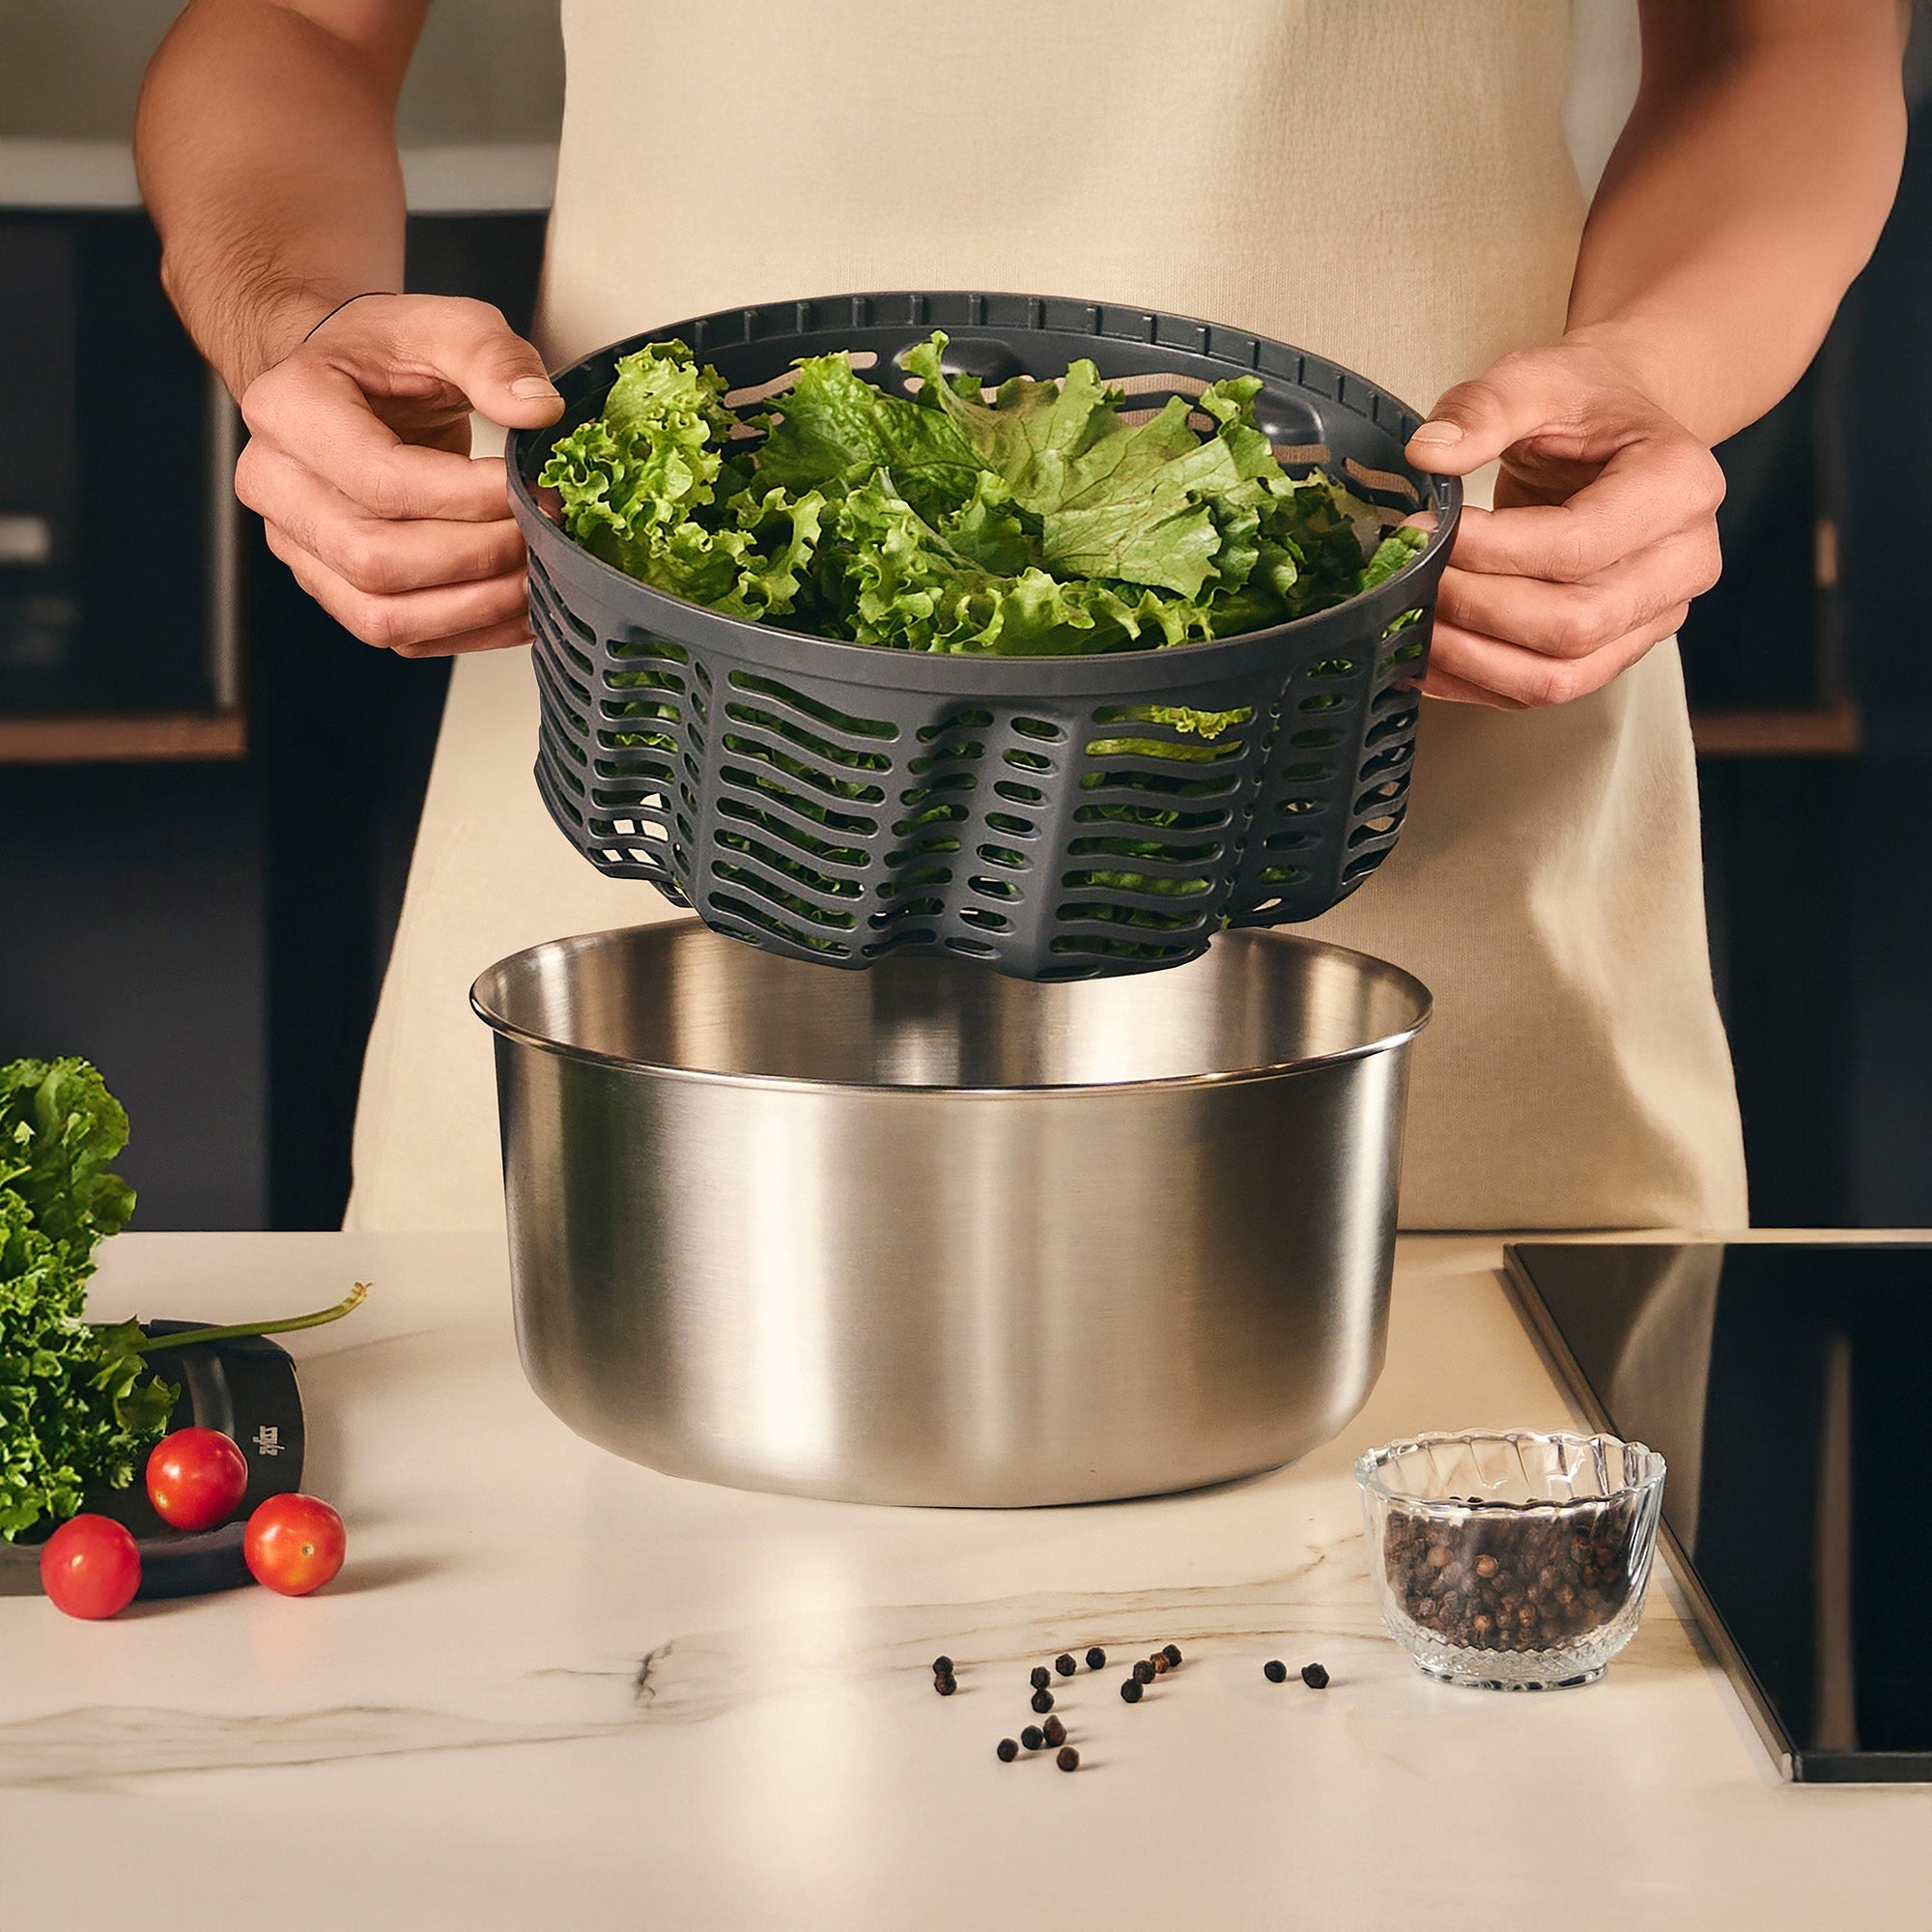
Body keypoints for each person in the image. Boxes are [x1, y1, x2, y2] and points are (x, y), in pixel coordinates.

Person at [136, 1, 1907, 1234]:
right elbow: (285, 27)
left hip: (1447, 878)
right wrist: (299, 327)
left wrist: (1656, 372)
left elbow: (1787, 41)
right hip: (663, 881)